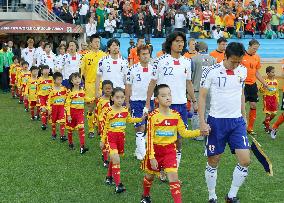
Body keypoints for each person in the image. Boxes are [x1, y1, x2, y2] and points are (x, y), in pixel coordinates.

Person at [199, 42, 250, 203]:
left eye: (239, 62)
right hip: (216, 122)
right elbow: (202, 96)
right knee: (213, 160)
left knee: (245, 160)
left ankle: (231, 195)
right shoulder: (211, 71)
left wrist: (244, 115)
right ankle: (212, 195)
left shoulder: (242, 70)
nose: (236, 65)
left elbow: (241, 94)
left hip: (237, 122)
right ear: (225, 56)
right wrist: (202, 122)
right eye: (233, 61)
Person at [140, 84, 205, 203]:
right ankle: (145, 195)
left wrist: (200, 132)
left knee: (173, 177)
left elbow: (184, 133)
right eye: (163, 95)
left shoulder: (176, 115)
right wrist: (152, 157)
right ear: (157, 99)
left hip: (170, 150)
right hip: (155, 150)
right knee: (150, 176)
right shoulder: (153, 116)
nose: (168, 97)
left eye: (169, 94)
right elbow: (149, 138)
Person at [146, 31, 198, 168]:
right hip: (164, 106)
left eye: (182, 41)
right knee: (163, 137)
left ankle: (173, 167)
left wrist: (194, 101)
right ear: (170, 43)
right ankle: (162, 166)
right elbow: (152, 82)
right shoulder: (160, 61)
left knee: (179, 137)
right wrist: (148, 102)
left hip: (181, 105)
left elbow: (189, 83)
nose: (180, 44)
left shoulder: (187, 61)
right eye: (177, 41)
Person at [101, 87, 146, 193]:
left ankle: (109, 177)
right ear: (112, 98)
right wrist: (102, 140)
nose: (120, 100)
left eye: (122, 97)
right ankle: (118, 185)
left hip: (121, 138)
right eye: (117, 97)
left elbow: (129, 119)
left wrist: (141, 119)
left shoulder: (125, 110)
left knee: (114, 158)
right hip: (110, 137)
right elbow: (104, 126)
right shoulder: (108, 111)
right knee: (116, 159)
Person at [125, 45, 154, 160]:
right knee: (139, 127)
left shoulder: (153, 69)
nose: (146, 56)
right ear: (138, 55)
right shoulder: (132, 69)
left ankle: (138, 150)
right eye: (143, 54)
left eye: (147, 53)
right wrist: (127, 102)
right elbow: (128, 86)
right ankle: (145, 156)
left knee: (147, 127)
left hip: (150, 101)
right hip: (136, 102)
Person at [81, 33, 106, 138]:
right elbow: (81, 72)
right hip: (90, 85)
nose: (97, 44)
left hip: (102, 85)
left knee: (101, 108)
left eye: (98, 42)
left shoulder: (104, 55)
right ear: (90, 43)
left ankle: (99, 127)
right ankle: (91, 129)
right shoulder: (86, 56)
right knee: (90, 108)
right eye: (95, 42)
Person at [190, 41, 216, 141]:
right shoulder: (213, 59)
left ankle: (198, 134)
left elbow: (190, 76)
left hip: (197, 89)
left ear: (196, 49)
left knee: (197, 111)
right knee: (208, 110)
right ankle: (208, 131)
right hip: (209, 89)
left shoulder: (193, 59)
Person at [241, 39, 267, 135]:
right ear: (249, 46)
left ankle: (250, 128)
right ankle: (240, 127)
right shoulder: (241, 55)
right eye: (254, 48)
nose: (255, 50)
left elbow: (256, 72)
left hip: (252, 85)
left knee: (253, 105)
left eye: (257, 49)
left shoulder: (257, 57)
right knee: (241, 107)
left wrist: (264, 83)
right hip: (242, 85)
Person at [65, 72, 89, 154]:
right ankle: (70, 143)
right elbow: (67, 104)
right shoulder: (69, 92)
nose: (77, 80)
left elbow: (86, 99)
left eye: (79, 78)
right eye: (75, 78)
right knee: (70, 129)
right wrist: (68, 115)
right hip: (72, 112)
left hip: (80, 112)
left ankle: (82, 147)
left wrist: (94, 99)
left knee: (81, 127)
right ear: (71, 81)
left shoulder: (82, 91)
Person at [96, 80, 113, 167]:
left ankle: (106, 154)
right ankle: (106, 160)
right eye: (106, 88)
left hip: (112, 123)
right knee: (105, 141)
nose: (108, 90)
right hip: (103, 123)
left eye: (109, 88)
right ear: (102, 89)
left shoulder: (114, 99)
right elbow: (97, 112)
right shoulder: (100, 100)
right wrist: (97, 124)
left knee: (111, 141)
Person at [47, 72, 68, 142]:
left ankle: (62, 136)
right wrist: (49, 109)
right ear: (54, 80)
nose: (60, 81)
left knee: (62, 121)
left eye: (61, 79)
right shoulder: (51, 90)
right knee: (53, 122)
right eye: (58, 79)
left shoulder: (64, 89)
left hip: (61, 107)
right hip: (54, 108)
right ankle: (53, 134)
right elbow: (49, 100)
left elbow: (68, 97)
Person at [260, 66, 279, 133]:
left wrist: (278, 101)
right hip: (267, 98)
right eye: (272, 72)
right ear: (268, 73)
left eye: (274, 72)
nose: (274, 73)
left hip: (273, 98)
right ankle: (267, 128)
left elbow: (277, 91)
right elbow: (261, 90)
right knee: (268, 114)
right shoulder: (265, 81)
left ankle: (265, 122)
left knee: (274, 114)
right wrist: (264, 88)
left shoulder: (276, 81)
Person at [37, 65, 54, 130]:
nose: (46, 71)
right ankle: (43, 124)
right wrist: (37, 97)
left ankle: (46, 122)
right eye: (45, 70)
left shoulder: (51, 78)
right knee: (43, 109)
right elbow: (37, 89)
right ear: (41, 71)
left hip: (49, 97)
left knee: (48, 110)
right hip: (42, 97)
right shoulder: (39, 79)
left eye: (47, 69)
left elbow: (54, 87)